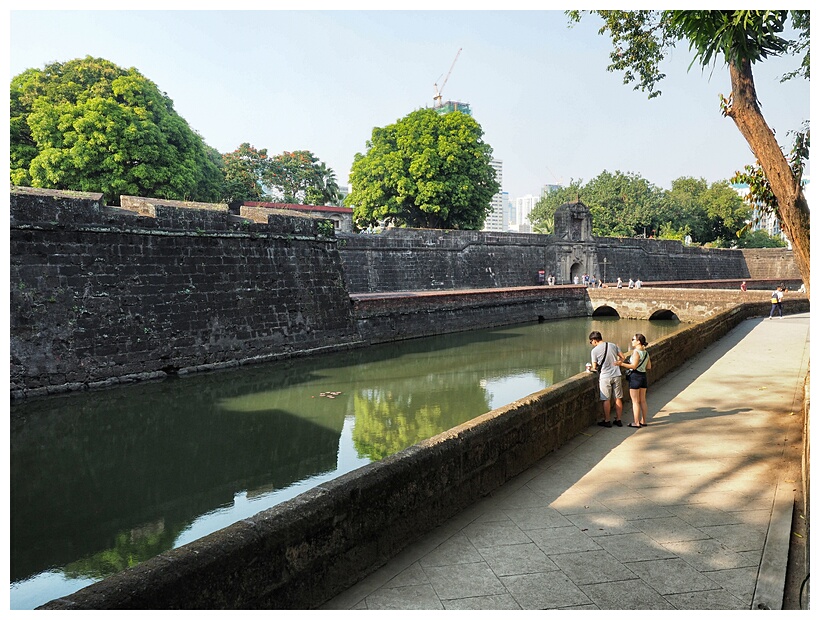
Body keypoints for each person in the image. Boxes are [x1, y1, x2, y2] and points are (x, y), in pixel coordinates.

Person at [588, 331, 626, 427]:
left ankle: (607, 420)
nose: (591, 344)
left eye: (591, 342)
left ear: (595, 340)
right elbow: (623, 357)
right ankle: (618, 419)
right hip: (617, 374)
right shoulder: (613, 345)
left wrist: (589, 369)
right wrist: (618, 362)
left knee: (606, 399)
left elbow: (594, 366)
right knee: (618, 398)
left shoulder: (594, 351)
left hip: (605, 376)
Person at [616, 333, 652, 427]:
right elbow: (649, 366)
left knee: (635, 401)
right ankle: (643, 421)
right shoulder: (646, 352)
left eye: (633, 339)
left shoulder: (636, 352)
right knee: (643, 400)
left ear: (638, 341)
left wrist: (621, 364)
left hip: (635, 377)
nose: (632, 341)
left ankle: (636, 422)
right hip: (643, 376)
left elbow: (634, 366)